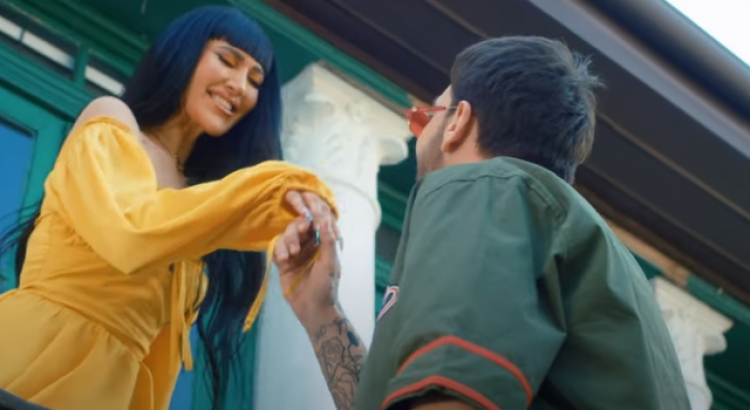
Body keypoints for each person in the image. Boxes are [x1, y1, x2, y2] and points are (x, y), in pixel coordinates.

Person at [274, 36, 691, 409]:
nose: (420, 134)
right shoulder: (616, 275)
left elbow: (451, 394)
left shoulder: (481, 187)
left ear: (457, 122)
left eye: (424, 119)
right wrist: (320, 311)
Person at [0, 6, 337, 410]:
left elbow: (159, 359)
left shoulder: (197, 201)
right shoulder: (112, 120)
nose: (239, 86)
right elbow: (129, 236)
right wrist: (271, 191)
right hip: (27, 365)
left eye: (254, 80)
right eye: (227, 59)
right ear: (183, 53)